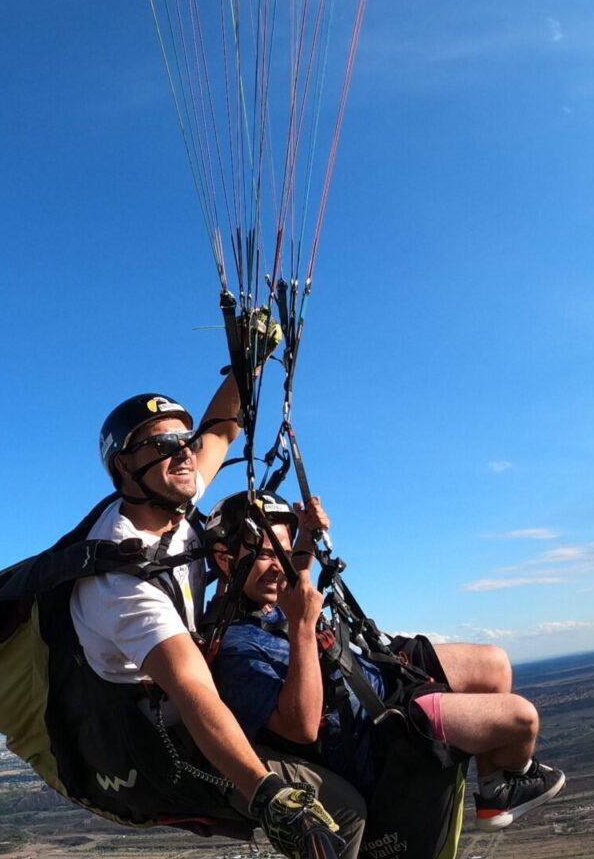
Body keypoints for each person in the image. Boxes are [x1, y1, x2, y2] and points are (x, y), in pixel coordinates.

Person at [69, 365, 367, 859]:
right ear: (125, 467)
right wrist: (265, 791)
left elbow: (221, 430)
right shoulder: (121, 581)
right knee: (342, 807)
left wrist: (249, 359)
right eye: (164, 445)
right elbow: (191, 688)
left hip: (188, 709)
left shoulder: (167, 497)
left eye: (184, 440)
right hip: (165, 743)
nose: (185, 452)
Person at [206, 491, 566, 832]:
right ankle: (496, 778)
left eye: (281, 553)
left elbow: (290, 571)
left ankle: (494, 791)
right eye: (266, 555)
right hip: (375, 730)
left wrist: (306, 538)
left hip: (377, 678)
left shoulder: (266, 604)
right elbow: (301, 728)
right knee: (521, 719)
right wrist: (303, 626)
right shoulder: (237, 648)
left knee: (495, 664)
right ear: (225, 559)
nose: (278, 568)